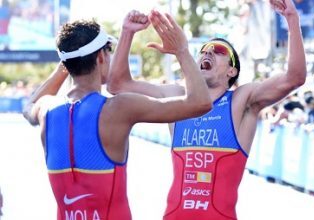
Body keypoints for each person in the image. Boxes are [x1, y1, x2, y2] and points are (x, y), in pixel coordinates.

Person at [108, 1, 306, 219]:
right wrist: (126, 33)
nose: (208, 53)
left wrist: (292, 20)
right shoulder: (177, 97)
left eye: (219, 51)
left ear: (232, 71)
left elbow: (294, 78)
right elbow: (117, 85)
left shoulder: (242, 101)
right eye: (203, 51)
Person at [22, 12, 212, 220]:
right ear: (101, 57)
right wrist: (182, 50)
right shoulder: (118, 108)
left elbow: (29, 105)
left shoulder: (46, 109)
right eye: (108, 52)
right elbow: (200, 103)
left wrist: (66, 65)